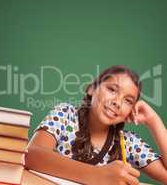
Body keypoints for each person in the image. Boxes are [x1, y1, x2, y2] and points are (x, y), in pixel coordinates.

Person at [25, 65, 167, 185]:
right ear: (91, 89)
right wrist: (98, 175)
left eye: (128, 101)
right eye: (112, 90)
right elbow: (31, 155)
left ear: (131, 110)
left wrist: (153, 121)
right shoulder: (65, 115)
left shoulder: (128, 143)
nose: (117, 102)